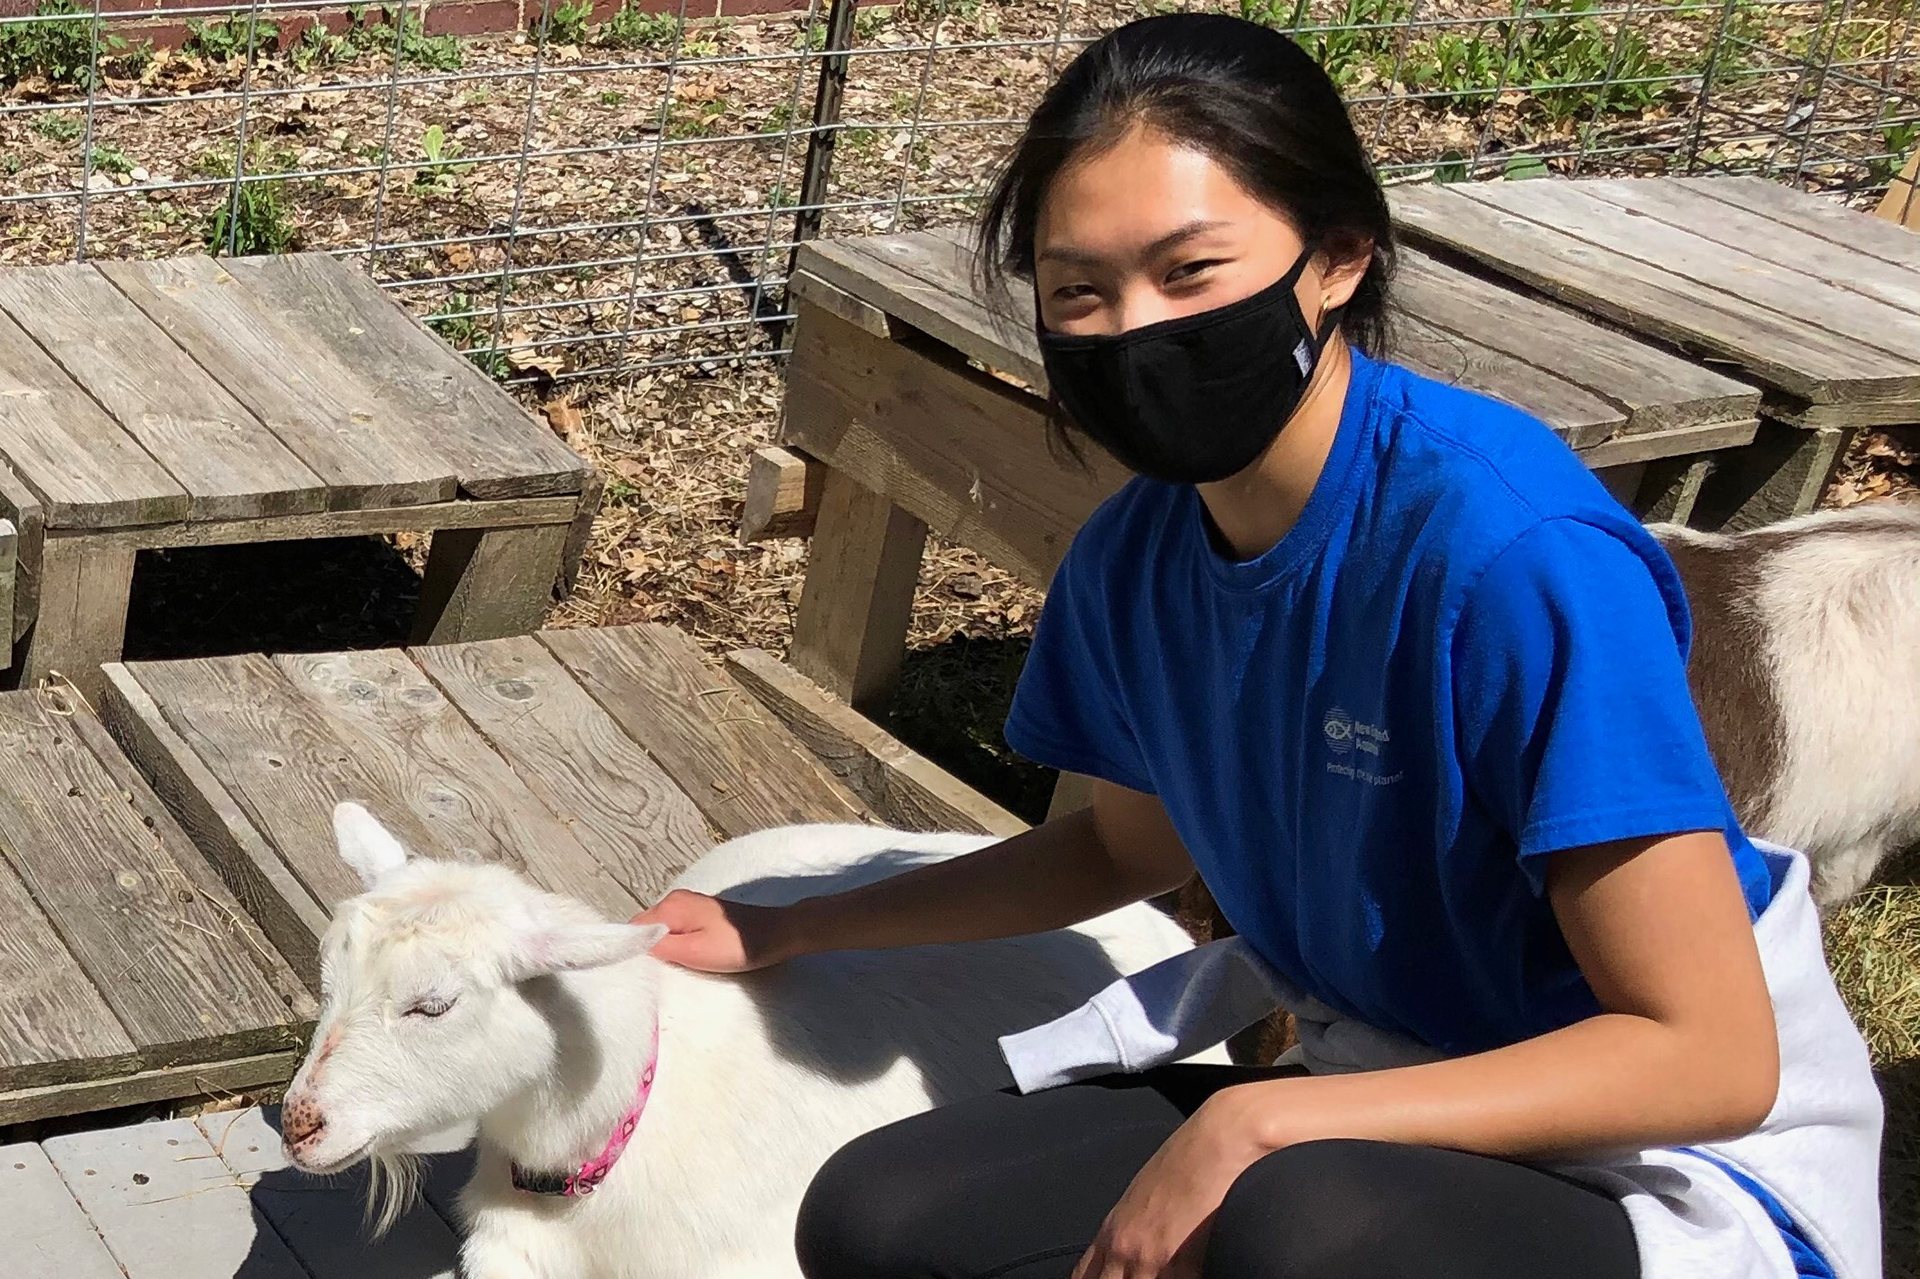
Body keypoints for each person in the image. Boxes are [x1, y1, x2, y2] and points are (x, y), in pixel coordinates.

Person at [635, 14, 1882, 1279]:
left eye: (1191, 274)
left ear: (1338, 257)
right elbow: (1126, 845)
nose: (1133, 331)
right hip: (1382, 1083)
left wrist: (1266, 1111)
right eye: (1081, 291)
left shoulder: (1513, 555)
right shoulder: (1135, 560)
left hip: (1663, 1157)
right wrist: (794, 929)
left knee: (1301, 1232)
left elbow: (1707, 1055)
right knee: (878, 1215)